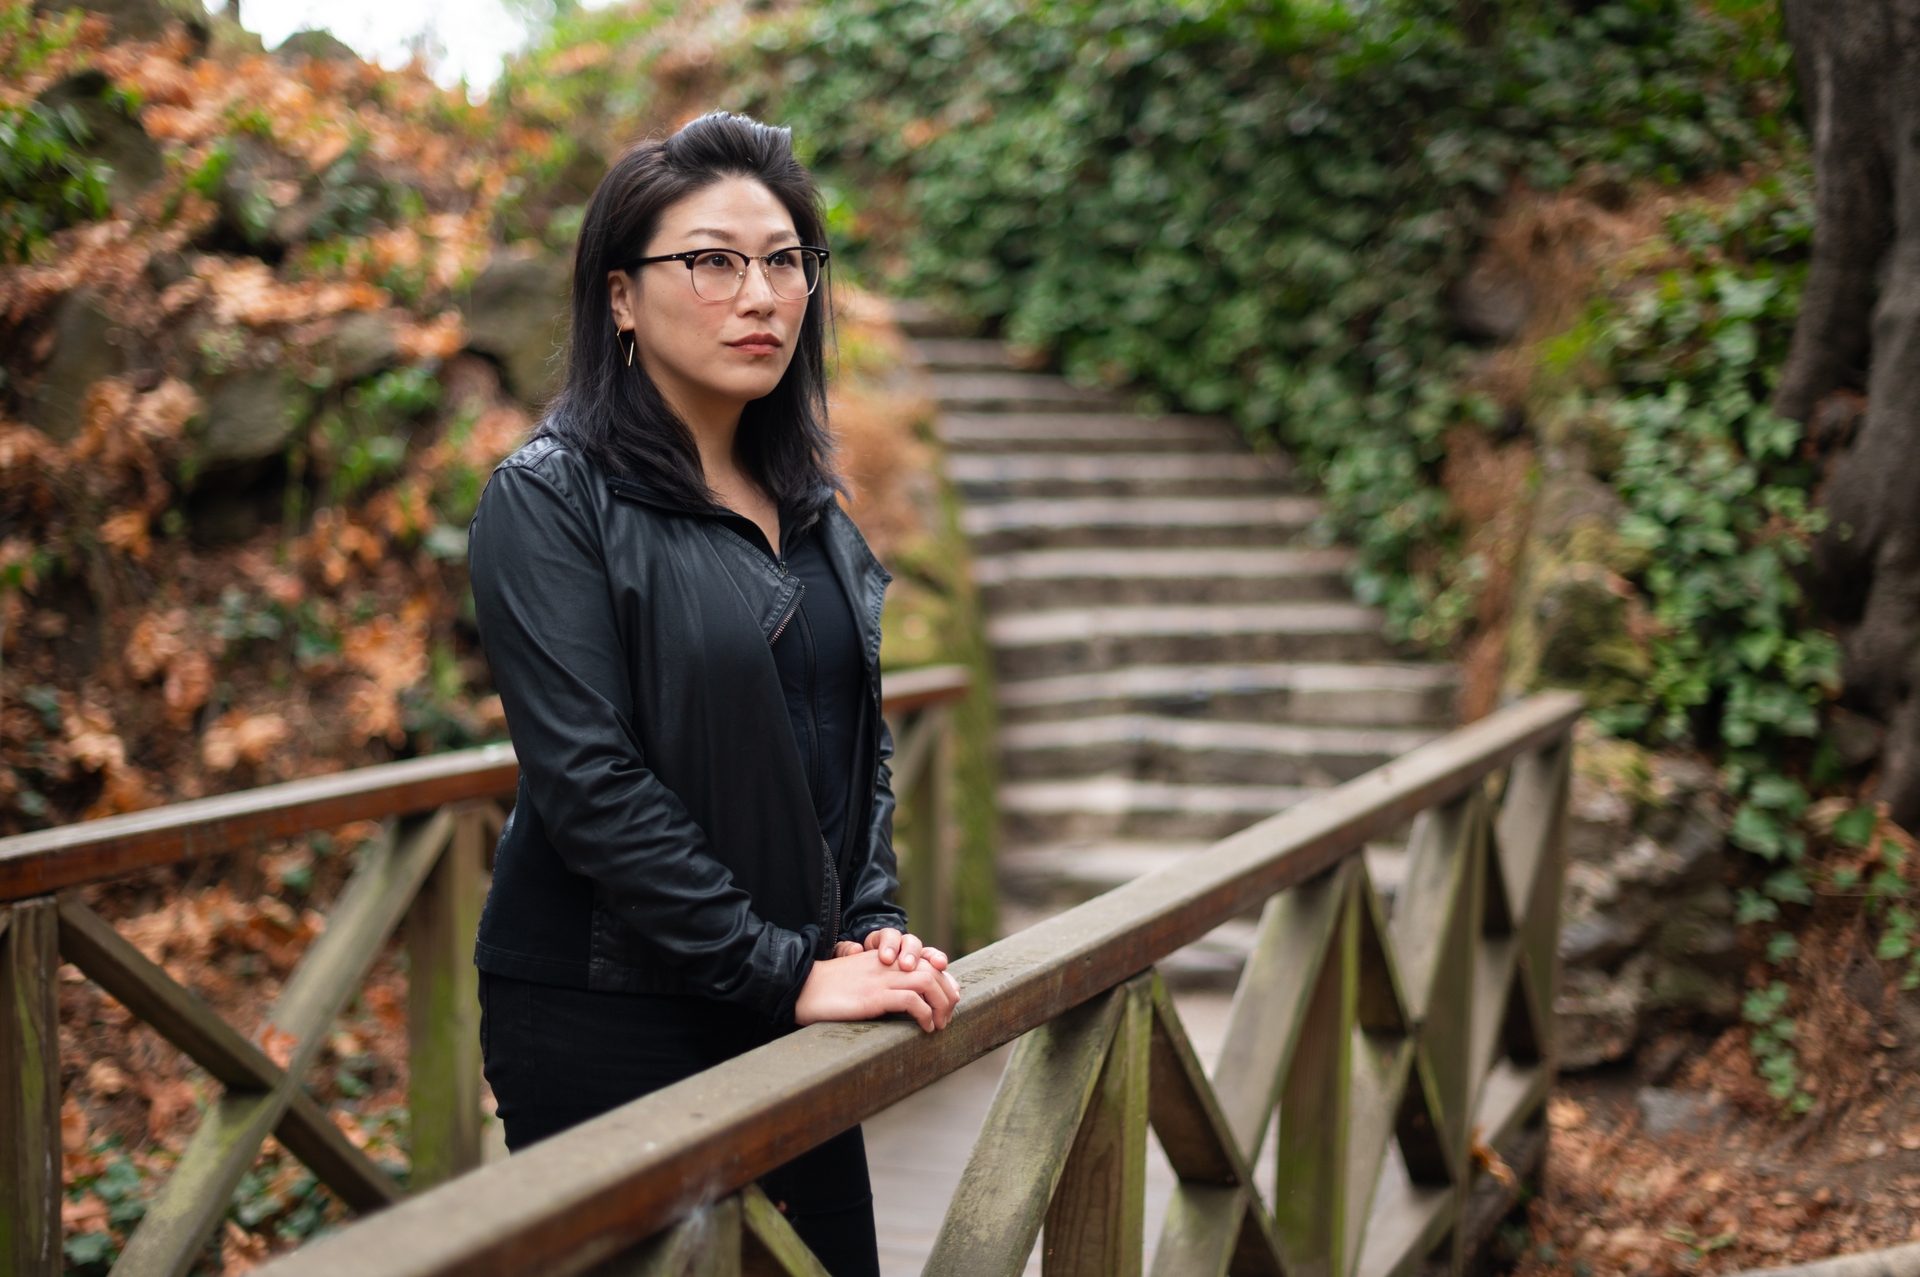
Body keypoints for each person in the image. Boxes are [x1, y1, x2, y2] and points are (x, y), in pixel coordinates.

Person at [465, 111, 960, 1277]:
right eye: (714, 261)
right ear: (621, 297)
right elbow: (590, 782)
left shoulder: (809, 501)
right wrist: (785, 968)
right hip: (608, 1011)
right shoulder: (548, 499)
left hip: (788, 987)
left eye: (787, 261)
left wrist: (871, 927)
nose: (763, 295)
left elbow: (852, 741)